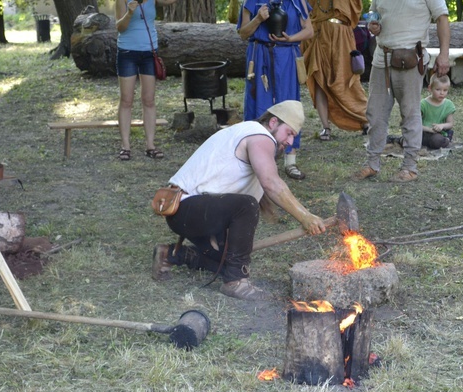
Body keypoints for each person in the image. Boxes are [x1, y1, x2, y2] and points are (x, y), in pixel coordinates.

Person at [151, 101, 326, 300]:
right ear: (273, 122)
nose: (291, 141)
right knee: (246, 206)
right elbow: (271, 183)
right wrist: (305, 217)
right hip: (185, 208)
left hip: (191, 213)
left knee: (229, 260)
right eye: (289, 132)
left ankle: (173, 254)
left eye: (294, 135)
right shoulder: (259, 135)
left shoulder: (251, 135)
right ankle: (236, 282)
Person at [353, 0, 450, 183]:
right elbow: (375, 19)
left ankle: (410, 168)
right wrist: (374, 27)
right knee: (375, 113)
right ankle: (372, 164)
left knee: (410, 113)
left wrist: (444, 54)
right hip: (382, 58)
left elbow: (442, 19)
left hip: (411, 58)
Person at [237, 0, 314, 180]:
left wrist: (290, 38)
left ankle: (290, 160)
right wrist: (257, 19)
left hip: (286, 55)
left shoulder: (297, 1)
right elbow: (242, 33)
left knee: (289, 103)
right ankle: (254, 158)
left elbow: (308, 30)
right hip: (259, 55)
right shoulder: (251, 2)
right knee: (258, 104)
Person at [115, 0, 176, 161]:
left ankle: (150, 145)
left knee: (149, 100)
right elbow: (119, 27)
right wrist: (129, 13)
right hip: (127, 52)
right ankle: (125, 146)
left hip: (149, 53)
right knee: (126, 99)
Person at [301, 0, 368, 141]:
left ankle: (365, 120)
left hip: (341, 35)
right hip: (319, 35)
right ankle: (326, 127)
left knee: (348, 79)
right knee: (319, 79)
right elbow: (305, 9)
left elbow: (355, 10)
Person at [421, 73, 455, 152]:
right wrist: (429, 129)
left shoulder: (448, 105)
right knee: (410, 138)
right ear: (430, 88)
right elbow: (416, 124)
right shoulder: (423, 104)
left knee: (436, 141)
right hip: (423, 132)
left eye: (445, 90)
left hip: (438, 134)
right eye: (438, 89)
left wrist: (442, 126)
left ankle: (446, 138)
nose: (442, 93)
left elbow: (450, 123)